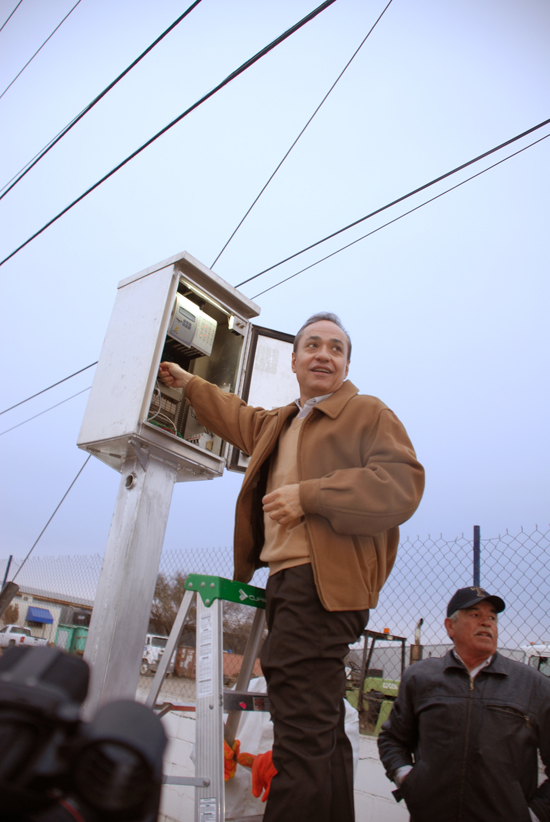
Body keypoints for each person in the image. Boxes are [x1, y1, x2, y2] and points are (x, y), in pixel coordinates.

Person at [159, 312, 424, 822]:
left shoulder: (367, 413)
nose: (324, 354)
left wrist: (311, 495)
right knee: (321, 728)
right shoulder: (281, 421)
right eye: (313, 346)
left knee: (299, 733)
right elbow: (236, 416)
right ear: (296, 361)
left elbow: (401, 485)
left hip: (322, 584)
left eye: (336, 348)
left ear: (347, 364)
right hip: (290, 581)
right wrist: (190, 382)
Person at [378, 586, 550, 822]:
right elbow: (392, 738)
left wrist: (534, 814)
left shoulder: (534, 686)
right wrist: (406, 778)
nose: (486, 622)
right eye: (475, 615)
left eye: (492, 617)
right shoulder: (420, 678)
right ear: (450, 627)